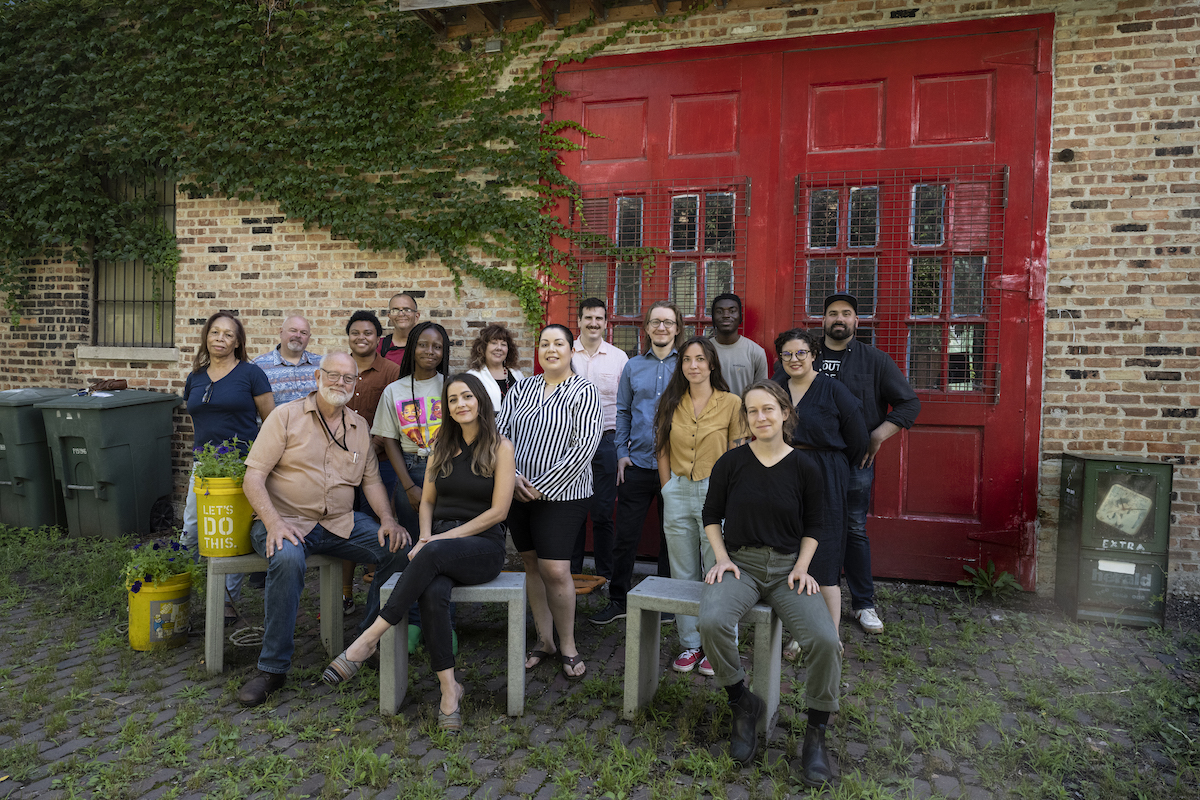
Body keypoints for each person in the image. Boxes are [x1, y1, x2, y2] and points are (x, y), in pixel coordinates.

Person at [322, 373, 515, 734]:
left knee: (430, 556)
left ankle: (367, 639)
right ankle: (449, 689)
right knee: (434, 591)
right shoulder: (440, 443)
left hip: (482, 546)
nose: (461, 404)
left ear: (481, 402)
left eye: (467, 397)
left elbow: (499, 512)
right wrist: (426, 535)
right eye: (453, 399)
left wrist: (440, 540)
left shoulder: (501, 447)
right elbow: (426, 501)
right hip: (440, 546)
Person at [237, 351, 405, 707]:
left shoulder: (359, 426)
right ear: (318, 377)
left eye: (348, 378)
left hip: (339, 522)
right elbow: (253, 477)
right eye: (333, 375)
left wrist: (388, 520)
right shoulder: (285, 416)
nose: (340, 383)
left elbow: (372, 483)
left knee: (397, 548)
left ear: (355, 384)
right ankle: (272, 668)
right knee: (287, 560)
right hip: (286, 519)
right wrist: (273, 522)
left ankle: (363, 643)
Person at [697, 381, 839, 785]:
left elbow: (815, 525)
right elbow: (711, 514)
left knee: (825, 641)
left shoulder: (805, 467)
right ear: (746, 418)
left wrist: (803, 566)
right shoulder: (732, 462)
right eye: (753, 411)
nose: (761, 418)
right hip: (741, 565)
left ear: (785, 413)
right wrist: (722, 558)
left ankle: (816, 734)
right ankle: (743, 703)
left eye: (769, 410)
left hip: (787, 570)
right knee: (712, 622)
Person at [499, 324, 603, 680]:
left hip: (563, 494)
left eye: (559, 343)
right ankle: (545, 640)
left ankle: (569, 644)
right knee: (531, 565)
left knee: (555, 570)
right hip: (516, 492)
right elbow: (501, 434)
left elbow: (585, 447)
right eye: (544, 343)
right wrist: (510, 479)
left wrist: (539, 486)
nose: (551, 349)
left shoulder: (585, 390)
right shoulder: (521, 388)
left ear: (571, 350)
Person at [817, 293, 921, 635]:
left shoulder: (874, 360)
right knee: (806, 528)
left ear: (856, 322)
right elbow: (777, 397)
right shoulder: (804, 353)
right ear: (823, 320)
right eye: (833, 313)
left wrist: (877, 436)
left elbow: (908, 405)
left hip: (854, 460)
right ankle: (807, 601)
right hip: (808, 458)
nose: (839, 319)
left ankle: (863, 604)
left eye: (847, 314)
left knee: (854, 528)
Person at [654, 336, 748, 675]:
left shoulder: (731, 403)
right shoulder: (671, 401)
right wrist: (667, 488)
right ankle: (690, 645)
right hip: (677, 489)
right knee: (682, 570)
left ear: (711, 364)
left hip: (716, 492)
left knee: (719, 569)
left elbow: (739, 453)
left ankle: (719, 646)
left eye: (700, 359)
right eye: (687, 360)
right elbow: (661, 448)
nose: (693, 365)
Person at [590, 301, 683, 626]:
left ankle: (669, 602)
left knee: (671, 537)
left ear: (677, 328)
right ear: (646, 328)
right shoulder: (632, 366)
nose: (661, 327)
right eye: (656, 322)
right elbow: (624, 411)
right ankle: (618, 600)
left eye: (668, 322)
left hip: (677, 468)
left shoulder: (687, 365)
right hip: (639, 464)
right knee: (626, 537)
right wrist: (621, 452)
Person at [773, 329, 868, 640]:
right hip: (784, 474)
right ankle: (800, 633)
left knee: (824, 553)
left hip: (826, 473)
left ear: (814, 355)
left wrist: (831, 463)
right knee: (789, 548)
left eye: (801, 353)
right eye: (787, 354)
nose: (794, 359)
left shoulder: (833, 390)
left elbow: (858, 439)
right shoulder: (775, 390)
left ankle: (828, 637)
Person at [181, 311, 275, 625]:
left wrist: (259, 465)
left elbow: (271, 422)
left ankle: (225, 603)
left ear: (238, 342)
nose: (220, 339)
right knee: (192, 531)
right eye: (215, 333)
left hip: (240, 468)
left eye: (228, 334)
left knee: (230, 535)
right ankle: (183, 593)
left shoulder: (251, 374)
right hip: (205, 467)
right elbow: (198, 421)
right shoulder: (195, 376)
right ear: (206, 337)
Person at [342, 310, 402, 613]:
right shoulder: (341, 370)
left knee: (379, 527)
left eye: (368, 333)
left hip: (381, 462)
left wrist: (365, 452)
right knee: (342, 524)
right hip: (339, 465)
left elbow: (393, 420)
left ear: (378, 338)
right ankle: (344, 593)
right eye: (356, 332)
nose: (361, 338)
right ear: (348, 336)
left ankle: (379, 599)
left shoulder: (391, 371)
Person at [569, 297, 628, 583]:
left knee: (604, 512)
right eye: (588, 318)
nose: (593, 323)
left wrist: (621, 448)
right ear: (579, 321)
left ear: (606, 322)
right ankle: (571, 574)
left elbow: (625, 407)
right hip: (569, 442)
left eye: (599, 319)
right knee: (572, 509)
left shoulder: (619, 358)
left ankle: (605, 575)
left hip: (607, 440)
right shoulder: (566, 355)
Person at [251, 315, 322, 405]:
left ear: (309, 337)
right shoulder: (258, 366)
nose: (298, 335)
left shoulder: (321, 364)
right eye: (293, 330)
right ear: (281, 332)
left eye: (303, 333)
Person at [708, 293, 769, 399]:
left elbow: (762, 393)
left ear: (740, 317)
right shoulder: (703, 350)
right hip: (709, 414)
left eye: (732, 311)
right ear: (713, 317)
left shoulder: (756, 352)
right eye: (719, 312)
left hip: (743, 414)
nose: (726, 315)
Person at [464, 323, 524, 409]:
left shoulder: (517, 374)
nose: (499, 348)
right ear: (483, 348)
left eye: (503, 344)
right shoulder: (472, 376)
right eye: (494, 343)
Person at [378, 292, 420, 367]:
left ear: (416, 316)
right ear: (389, 316)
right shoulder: (379, 346)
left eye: (407, 310)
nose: (401, 314)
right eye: (395, 310)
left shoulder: (425, 346)